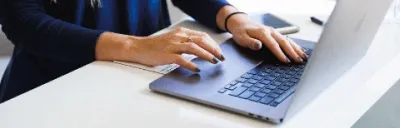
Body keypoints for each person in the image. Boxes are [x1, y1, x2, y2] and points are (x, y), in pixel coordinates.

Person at [0, 0, 307, 103]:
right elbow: (23, 21)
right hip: (54, 90)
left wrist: (233, 18)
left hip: (145, 77)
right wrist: (134, 46)